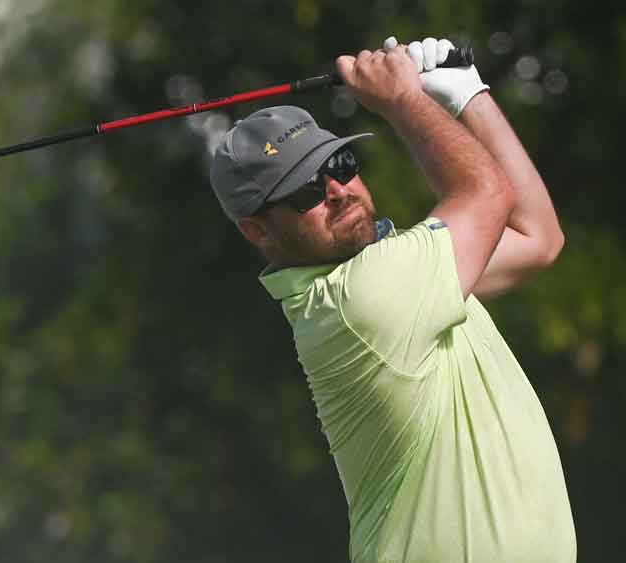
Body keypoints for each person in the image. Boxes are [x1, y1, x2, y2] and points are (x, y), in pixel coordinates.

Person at [209, 36, 575, 562]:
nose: (337, 190)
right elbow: (489, 196)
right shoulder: (357, 301)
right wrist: (403, 99)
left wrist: (469, 94)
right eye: (305, 192)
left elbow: (538, 239)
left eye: (339, 165)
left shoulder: (408, 271)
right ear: (256, 231)